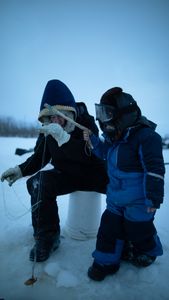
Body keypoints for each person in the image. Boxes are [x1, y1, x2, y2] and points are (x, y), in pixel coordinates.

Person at [1, 79, 108, 262]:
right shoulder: (48, 131)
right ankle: (48, 236)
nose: (55, 121)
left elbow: (88, 154)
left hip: (93, 174)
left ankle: (128, 234)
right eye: (50, 117)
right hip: (66, 176)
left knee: (125, 188)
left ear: (70, 112)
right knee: (38, 182)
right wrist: (19, 170)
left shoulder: (86, 123)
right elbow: (39, 157)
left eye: (59, 115)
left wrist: (64, 138)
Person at [83, 87, 165, 281]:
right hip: (115, 199)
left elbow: (155, 169)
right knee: (108, 229)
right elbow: (104, 153)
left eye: (107, 113)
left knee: (138, 230)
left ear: (123, 114)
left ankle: (149, 251)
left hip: (140, 201)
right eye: (101, 112)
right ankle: (105, 262)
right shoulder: (114, 138)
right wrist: (93, 141)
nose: (103, 119)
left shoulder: (146, 137)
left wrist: (153, 198)